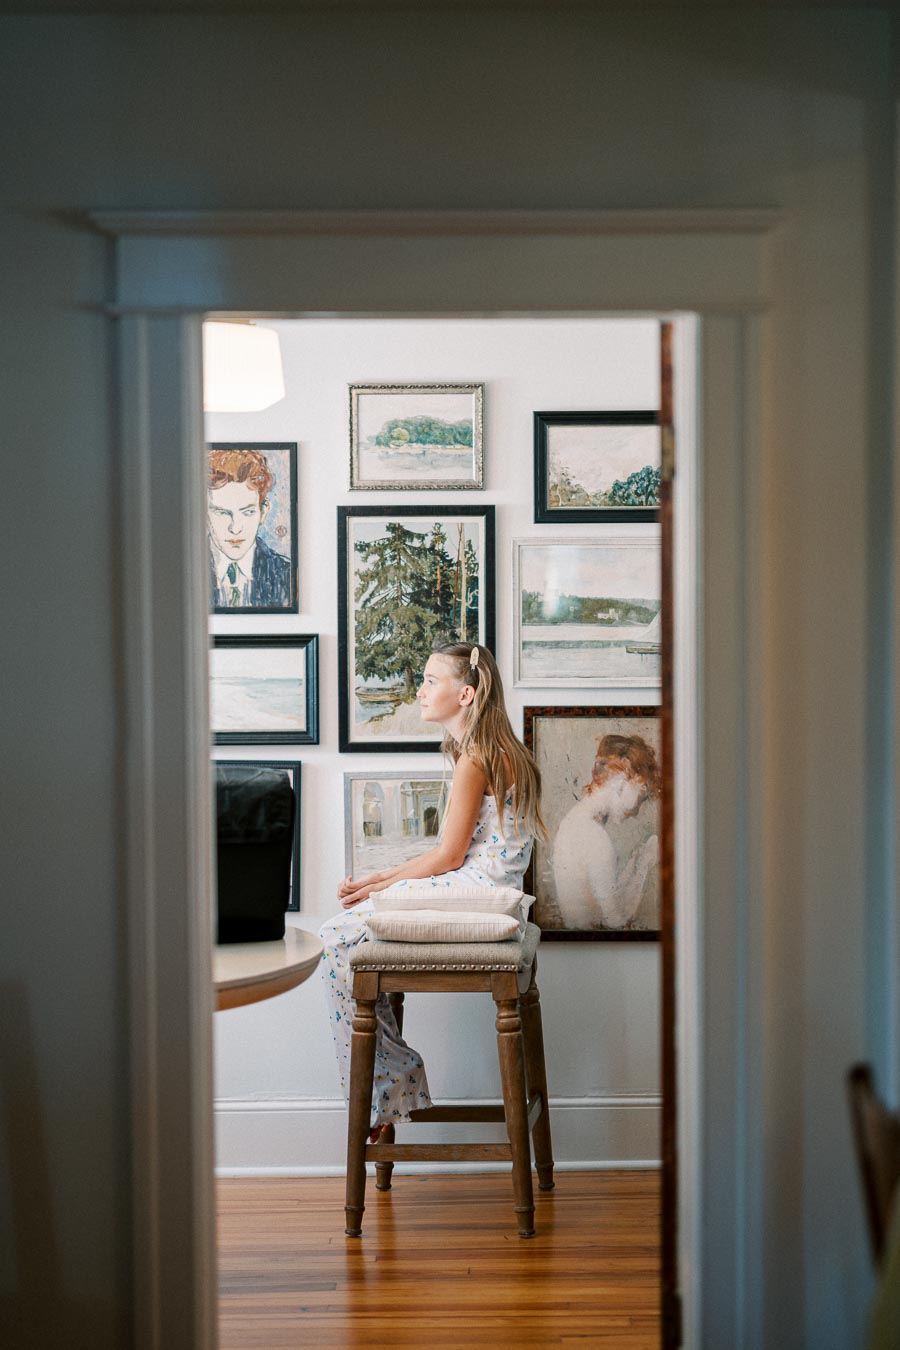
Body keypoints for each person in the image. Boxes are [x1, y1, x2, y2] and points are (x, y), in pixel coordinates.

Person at [319, 641, 545, 1141]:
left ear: (465, 694)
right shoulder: (500, 750)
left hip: (477, 891)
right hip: (483, 886)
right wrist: (379, 885)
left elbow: (448, 858)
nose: (419, 690)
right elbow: (454, 854)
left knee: (336, 938)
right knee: (344, 931)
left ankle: (393, 1079)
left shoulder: (477, 758)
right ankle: (391, 1080)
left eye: (430, 680)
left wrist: (378, 885)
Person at [552, 733, 660, 931]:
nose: (636, 811)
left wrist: (633, 867)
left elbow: (601, 899)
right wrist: (644, 865)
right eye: (641, 795)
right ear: (623, 780)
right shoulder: (592, 835)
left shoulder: (576, 822)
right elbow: (614, 921)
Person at [207, 447, 292, 609]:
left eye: (247, 512)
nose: (235, 528)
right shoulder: (181, 575)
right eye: (222, 513)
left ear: (263, 512)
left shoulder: (285, 574)